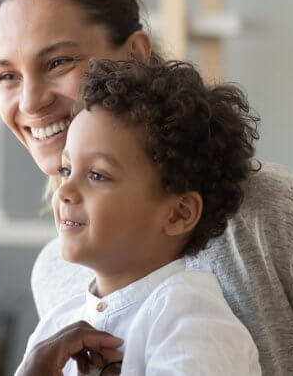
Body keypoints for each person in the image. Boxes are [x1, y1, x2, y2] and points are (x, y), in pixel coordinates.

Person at [0, 0, 293, 374]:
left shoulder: (271, 212)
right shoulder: (58, 271)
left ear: (135, 54)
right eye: (8, 76)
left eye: (57, 62)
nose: (30, 102)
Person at [17, 58, 263, 375]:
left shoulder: (191, 319)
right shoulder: (56, 327)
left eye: (96, 175)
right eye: (66, 170)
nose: (64, 190)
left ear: (178, 213)